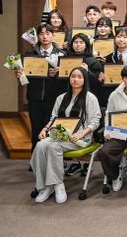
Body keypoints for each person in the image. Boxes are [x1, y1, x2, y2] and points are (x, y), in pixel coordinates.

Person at [31, 67, 101, 204]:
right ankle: (46, 186)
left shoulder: (90, 98)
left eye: (79, 77)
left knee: (53, 147)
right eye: (73, 76)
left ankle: (58, 184)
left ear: (85, 80)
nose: (75, 79)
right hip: (59, 135)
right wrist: (45, 129)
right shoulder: (61, 98)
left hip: (80, 138)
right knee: (40, 145)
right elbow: (54, 118)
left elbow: (95, 121)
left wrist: (82, 132)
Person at [17, 24, 65, 153]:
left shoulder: (61, 54)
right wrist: (20, 75)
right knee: (36, 130)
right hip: (35, 98)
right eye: (41, 34)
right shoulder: (30, 54)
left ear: (53, 36)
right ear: (38, 36)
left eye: (48, 34)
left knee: (52, 131)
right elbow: (25, 78)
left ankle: (52, 159)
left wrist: (58, 74)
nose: (45, 37)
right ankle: (35, 159)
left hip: (53, 99)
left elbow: (67, 80)